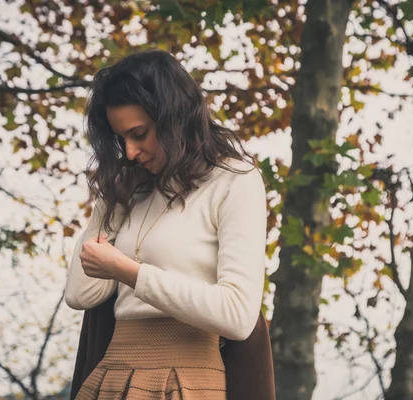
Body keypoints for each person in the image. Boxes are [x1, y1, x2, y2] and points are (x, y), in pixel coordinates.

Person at [64, 49, 274, 400]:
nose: (129, 152)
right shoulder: (132, 188)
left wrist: (130, 272)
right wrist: (112, 201)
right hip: (113, 375)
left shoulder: (234, 181)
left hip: (187, 379)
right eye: (121, 139)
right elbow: (79, 294)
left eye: (140, 134)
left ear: (175, 118)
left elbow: (238, 315)